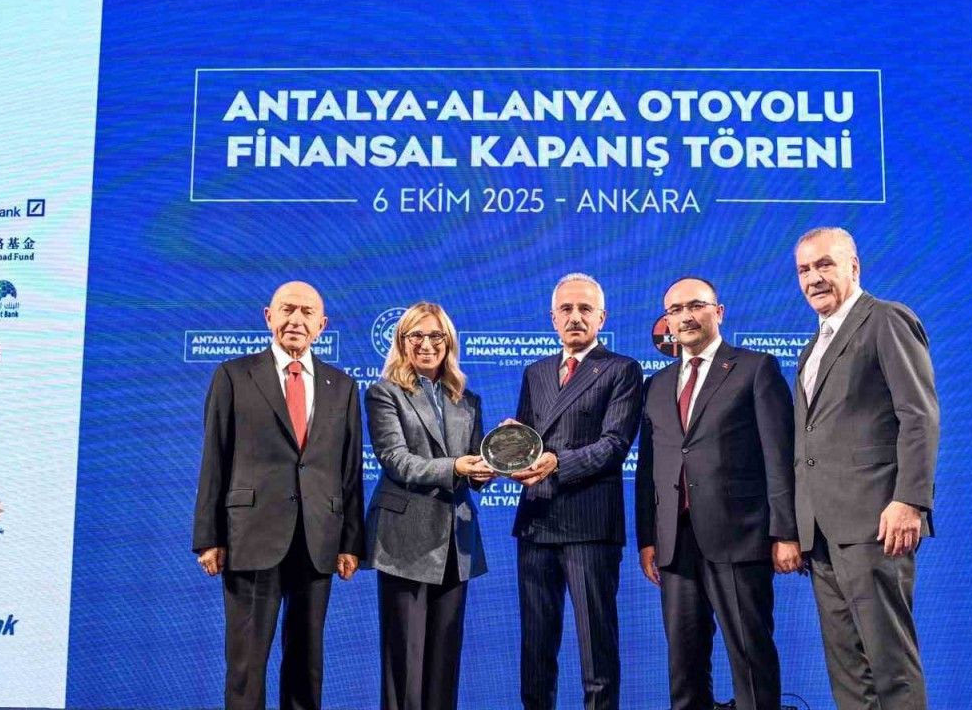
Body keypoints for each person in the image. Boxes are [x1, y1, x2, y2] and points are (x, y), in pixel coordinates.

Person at [192, 280, 365, 710]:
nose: (296, 320)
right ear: (268, 316)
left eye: (307, 312)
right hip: (250, 536)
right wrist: (209, 536)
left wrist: (350, 542)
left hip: (318, 538)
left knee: (307, 664)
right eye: (287, 309)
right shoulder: (234, 375)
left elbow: (349, 470)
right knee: (246, 666)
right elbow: (214, 458)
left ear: (322, 325)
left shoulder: (342, 386)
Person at [635, 276, 799, 710]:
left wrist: (786, 532)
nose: (685, 317)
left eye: (696, 306)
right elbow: (649, 469)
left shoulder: (755, 368)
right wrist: (648, 538)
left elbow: (779, 457)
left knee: (750, 658)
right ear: (667, 321)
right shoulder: (656, 385)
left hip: (740, 538)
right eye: (675, 310)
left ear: (718, 312)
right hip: (675, 543)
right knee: (684, 663)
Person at [792, 227, 937, 710]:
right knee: (849, 673)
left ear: (853, 267)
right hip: (822, 531)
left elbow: (918, 416)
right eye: (804, 270)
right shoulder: (811, 348)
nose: (813, 278)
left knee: (890, 665)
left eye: (824, 264)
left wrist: (909, 500)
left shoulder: (886, 320)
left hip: (877, 523)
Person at [509, 273, 643, 710]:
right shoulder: (536, 372)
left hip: (590, 525)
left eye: (585, 309)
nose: (575, 317)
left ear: (602, 317)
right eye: (566, 309)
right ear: (553, 318)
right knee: (535, 649)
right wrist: (508, 452)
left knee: (595, 649)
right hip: (536, 522)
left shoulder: (622, 369)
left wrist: (555, 463)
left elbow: (614, 444)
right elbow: (525, 442)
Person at [364, 302, 495, 710]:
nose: (426, 344)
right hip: (404, 541)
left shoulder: (467, 399)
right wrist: (456, 467)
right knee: (404, 664)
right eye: (416, 335)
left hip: (456, 542)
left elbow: (474, 465)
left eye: (435, 335)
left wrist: (491, 463)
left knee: (444, 665)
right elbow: (397, 461)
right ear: (402, 341)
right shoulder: (384, 393)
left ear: (448, 341)